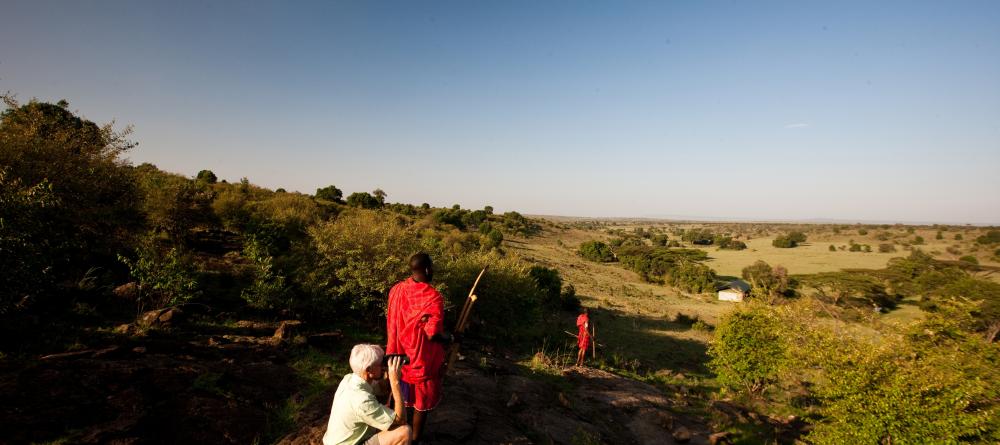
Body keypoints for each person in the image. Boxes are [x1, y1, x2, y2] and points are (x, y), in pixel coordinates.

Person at [386, 253, 452, 443]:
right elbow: (432, 334)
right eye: (431, 267)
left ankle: (397, 435)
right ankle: (414, 440)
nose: (432, 270)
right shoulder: (432, 297)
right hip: (422, 361)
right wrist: (450, 337)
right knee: (420, 404)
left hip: (399, 357)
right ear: (426, 270)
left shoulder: (397, 289)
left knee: (400, 397)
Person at [322, 344, 411, 445]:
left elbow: (382, 389)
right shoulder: (361, 400)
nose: (383, 366)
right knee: (404, 432)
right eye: (381, 363)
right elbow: (401, 419)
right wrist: (395, 381)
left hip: (337, 440)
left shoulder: (349, 379)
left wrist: (387, 372)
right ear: (369, 370)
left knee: (386, 414)